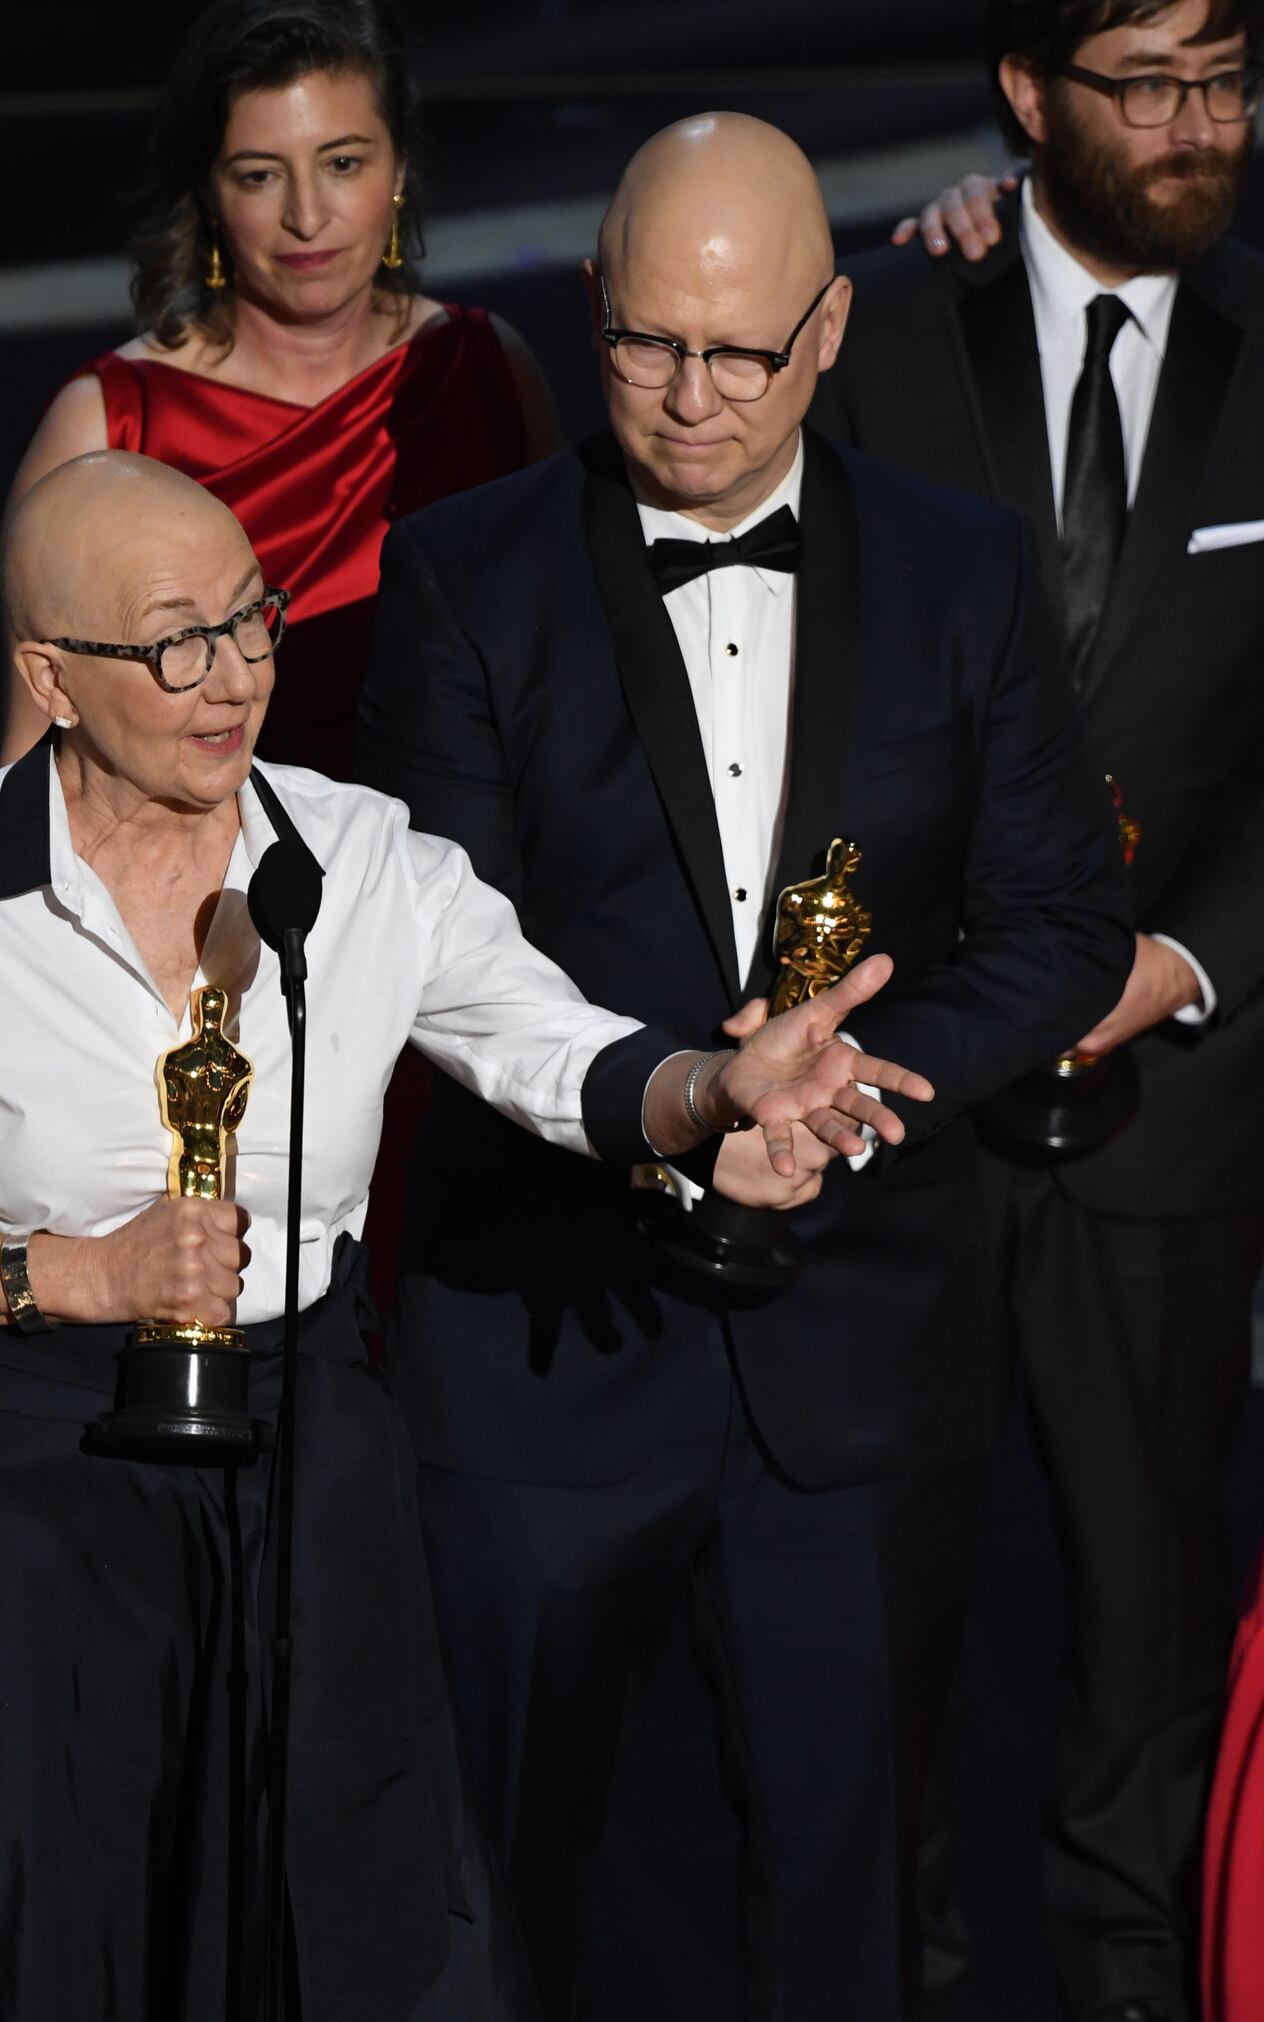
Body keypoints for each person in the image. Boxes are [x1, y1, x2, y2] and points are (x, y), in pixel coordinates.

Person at [0, 451, 929, 2022]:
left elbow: (559, 1052)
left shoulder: (357, 857)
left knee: (340, 1935)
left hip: (302, 1475)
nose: (232, 680)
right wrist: (74, 1273)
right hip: (12, 1503)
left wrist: (708, 1094)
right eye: (173, 641)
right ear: (49, 677)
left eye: (252, 623)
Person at [355, 111, 1134, 2022]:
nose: (689, 398)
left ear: (830, 339)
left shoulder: (962, 568)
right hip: (542, 1353)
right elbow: (439, 948)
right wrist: (685, 1099)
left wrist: (836, 1092)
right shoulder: (462, 572)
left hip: (858, 1375)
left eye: (739, 352)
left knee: (845, 1913)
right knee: (504, 1901)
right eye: (642, 344)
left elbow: (1058, 932)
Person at [809, 4, 1264, 2016]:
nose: (1196, 124)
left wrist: (1172, 965)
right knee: (877, 1628)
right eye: (1142, 81)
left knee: (1146, 1659)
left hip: (1175, 1111)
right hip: (908, 1095)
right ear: (1022, 95)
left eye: (1226, 76)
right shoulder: (887, 337)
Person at [3, 0, 555, 781]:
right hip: (219, 875)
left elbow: (558, 677)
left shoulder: (487, 370)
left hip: (469, 860)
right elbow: (34, 755)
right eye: (260, 176)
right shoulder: (110, 423)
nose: (306, 217)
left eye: (342, 164)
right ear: (208, 193)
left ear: (398, 170)